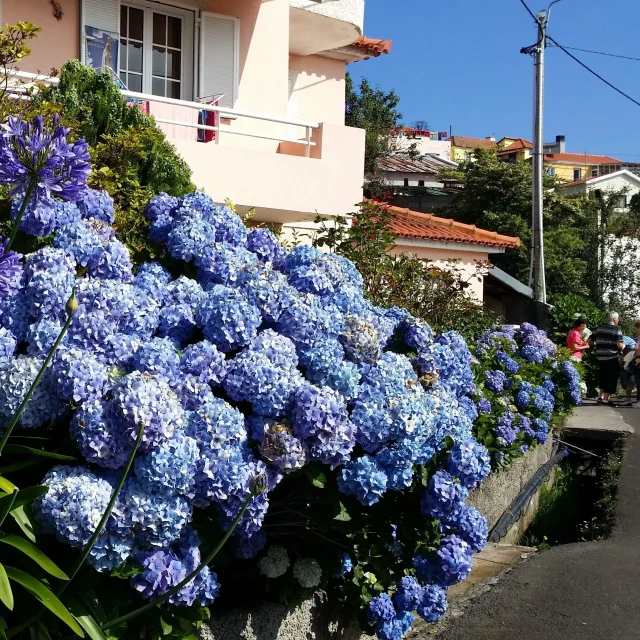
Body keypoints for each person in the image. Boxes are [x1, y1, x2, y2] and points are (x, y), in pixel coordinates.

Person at [588, 311, 624, 407]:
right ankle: (605, 400)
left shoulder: (599, 328)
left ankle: (600, 396)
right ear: (614, 319)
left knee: (603, 376)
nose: (618, 320)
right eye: (617, 318)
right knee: (611, 378)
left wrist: (599, 344)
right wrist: (623, 347)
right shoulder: (616, 329)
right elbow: (619, 345)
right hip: (611, 356)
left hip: (600, 356)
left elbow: (589, 341)